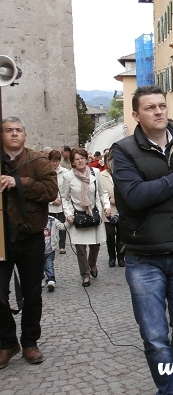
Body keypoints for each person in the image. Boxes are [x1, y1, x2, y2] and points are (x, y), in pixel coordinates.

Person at [110, 85, 173, 395]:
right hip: (144, 257)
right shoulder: (123, 150)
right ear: (136, 115)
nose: (158, 112)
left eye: (162, 106)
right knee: (155, 337)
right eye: (150, 107)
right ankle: (169, 390)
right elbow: (134, 196)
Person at [0, 116, 58, 368]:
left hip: (31, 236)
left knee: (33, 293)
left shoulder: (38, 161)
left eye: (19, 130)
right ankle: (7, 342)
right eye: (9, 130)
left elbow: (50, 191)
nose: (14, 134)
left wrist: (18, 183)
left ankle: (30, 342)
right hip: (0, 239)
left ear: (25, 135)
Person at [61, 148, 111, 287]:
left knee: (95, 245)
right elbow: (64, 198)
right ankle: (85, 274)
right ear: (72, 162)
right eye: (77, 159)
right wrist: (68, 214)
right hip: (78, 214)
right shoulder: (68, 177)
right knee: (80, 248)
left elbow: (102, 192)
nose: (80, 161)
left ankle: (92, 264)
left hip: (94, 213)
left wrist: (106, 206)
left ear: (87, 159)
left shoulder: (95, 173)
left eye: (82, 158)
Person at [100, 153, 123, 267]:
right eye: (108, 161)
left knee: (121, 234)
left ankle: (121, 256)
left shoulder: (122, 173)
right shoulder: (102, 175)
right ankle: (111, 256)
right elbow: (99, 192)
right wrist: (109, 199)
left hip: (121, 209)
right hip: (108, 209)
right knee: (110, 234)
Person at [48, 149, 68, 254]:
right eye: (53, 161)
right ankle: (50, 244)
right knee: (50, 226)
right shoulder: (46, 172)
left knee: (62, 226)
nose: (55, 163)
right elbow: (45, 189)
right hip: (50, 205)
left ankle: (62, 245)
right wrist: (51, 200)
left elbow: (66, 188)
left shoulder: (65, 172)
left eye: (57, 161)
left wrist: (61, 199)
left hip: (61, 204)